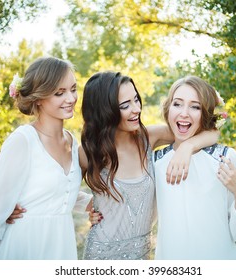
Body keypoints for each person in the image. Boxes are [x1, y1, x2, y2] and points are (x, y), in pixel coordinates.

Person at [80, 71, 219, 260]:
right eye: (125, 105)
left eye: (136, 99)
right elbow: (60, 191)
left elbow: (211, 131)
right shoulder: (88, 151)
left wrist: (187, 147)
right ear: (105, 110)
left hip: (142, 254)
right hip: (101, 255)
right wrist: (89, 204)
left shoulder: (148, 138)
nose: (136, 109)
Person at [0, 57, 92, 260]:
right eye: (59, 93)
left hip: (61, 247)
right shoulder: (22, 141)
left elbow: (59, 192)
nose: (71, 98)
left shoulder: (72, 143)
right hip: (25, 245)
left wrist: (97, 204)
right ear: (38, 98)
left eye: (73, 89)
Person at [153, 75, 236, 259]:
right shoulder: (156, 162)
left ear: (205, 114)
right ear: (168, 109)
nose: (184, 113)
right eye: (177, 104)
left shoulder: (224, 158)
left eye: (195, 106)